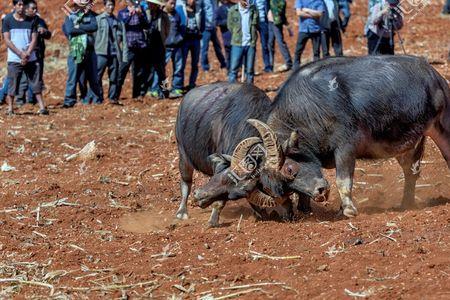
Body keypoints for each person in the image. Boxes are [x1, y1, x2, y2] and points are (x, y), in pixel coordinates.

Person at [2, 0, 48, 115]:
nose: (21, 7)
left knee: (36, 82)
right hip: (14, 58)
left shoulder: (32, 20)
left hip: (30, 57)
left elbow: (34, 39)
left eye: (23, 5)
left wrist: (27, 53)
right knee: (13, 83)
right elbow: (7, 40)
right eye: (19, 4)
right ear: (15, 6)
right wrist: (20, 54)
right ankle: (10, 109)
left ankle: (42, 108)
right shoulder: (8, 19)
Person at [62, 1, 102, 107]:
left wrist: (78, 27)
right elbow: (70, 30)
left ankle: (96, 99)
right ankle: (69, 101)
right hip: (77, 49)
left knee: (93, 77)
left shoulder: (91, 15)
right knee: (73, 77)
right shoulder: (70, 16)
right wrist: (85, 30)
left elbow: (94, 26)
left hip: (90, 50)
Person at [90, 0, 127, 105]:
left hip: (114, 54)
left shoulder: (118, 22)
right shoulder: (97, 20)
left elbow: (124, 40)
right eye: (109, 5)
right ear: (104, 6)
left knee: (114, 77)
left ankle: (112, 98)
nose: (111, 7)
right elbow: (92, 36)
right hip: (100, 53)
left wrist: (124, 57)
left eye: (112, 5)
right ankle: (98, 98)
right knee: (97, 76)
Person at [151, 0, 184, 98]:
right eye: (171, 3)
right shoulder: (161, 15)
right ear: (165, 3)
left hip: (177, 46)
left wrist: (180, 39)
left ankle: (176, 88)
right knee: (161, 71)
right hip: (164, 47)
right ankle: (157, 89)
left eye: (174, 3)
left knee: (178, 68)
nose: (173, 6)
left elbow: (182, 27)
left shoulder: (177, 14)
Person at [117, 0, 149, 99]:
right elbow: (122, 25)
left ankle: (137, 94)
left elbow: (146, 25)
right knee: (122, 71)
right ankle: (115, 95)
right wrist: (131, 14)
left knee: (139, 72)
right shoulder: (122, 13)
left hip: (140, 45)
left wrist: (140, 15)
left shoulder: (141, 10)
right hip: (128, 47)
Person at [142, 0, 170, 98]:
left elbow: (167, 29)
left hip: (159, 46)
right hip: (148, 47)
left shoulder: (163, 15)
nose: (150, 5)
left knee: (161, 72)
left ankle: (165, 91)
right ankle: (149, 90)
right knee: (148, 71)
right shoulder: (145, 13)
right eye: (149, 3)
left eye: (152, 4)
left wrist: (164, 39)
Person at [227, 0, 259, 84]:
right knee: (234, 69)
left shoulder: (253, 10)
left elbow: (257, 24)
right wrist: (237, 35)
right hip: (237, 44)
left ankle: (249, 91)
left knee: (250, 70)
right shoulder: (233, 10)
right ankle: (232, 91)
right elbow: (230, 26)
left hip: (250, 44)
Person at [177, 0, 204, 90]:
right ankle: (179, 85)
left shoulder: (199, 9)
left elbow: (202, 23)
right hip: (185, 39)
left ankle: (192, 84)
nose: (192, 1)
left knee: (195, 63)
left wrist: (200, 32)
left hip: (196, 38)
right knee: (182, 63)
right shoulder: (181, 9)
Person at [293, 0, 324, 69]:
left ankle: (316, 68)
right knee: (298, 50)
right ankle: (295, 68)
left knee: (316, 52)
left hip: (315, 29)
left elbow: (320, 14)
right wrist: (313, 13)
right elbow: (299, 13)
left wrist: (307, 10)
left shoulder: (319, 1)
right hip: (303, 29)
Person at [200, 0, 227, 71]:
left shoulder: (214, 1)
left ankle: (223, 64)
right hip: (205, 28)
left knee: (217, 47)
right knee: (204, 48)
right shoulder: (201, 1)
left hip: (213, 27)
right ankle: (205, 67)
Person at [268, 0, 292, 72]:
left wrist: (287, 26)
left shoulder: (281, 2)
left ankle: (288, 62)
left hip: (276, 23)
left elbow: (280, 12)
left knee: (280, 42)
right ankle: (270, 65)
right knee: (270, 43)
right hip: (270, 22)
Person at [256, 0, 272, 72]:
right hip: (252, 23)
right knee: (250, 46)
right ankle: (249, 68)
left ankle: (267, 66)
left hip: (263, 22)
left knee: (265, 45)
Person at [216, 0, 233, 69]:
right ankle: (229, 71)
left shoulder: (234, 6)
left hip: (237, 36)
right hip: (227, 36)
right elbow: (217, 22)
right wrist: (227, 21)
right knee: (228, 55)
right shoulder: (219, 9)